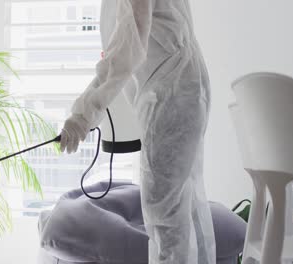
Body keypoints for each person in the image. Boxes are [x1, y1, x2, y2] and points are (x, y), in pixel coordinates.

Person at [59, 0, 216, 263]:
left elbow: (126, 54)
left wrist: (82, 116)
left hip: (171, 96)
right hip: (181, 89)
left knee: (164, 214)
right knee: (182, 209)